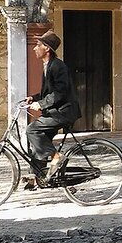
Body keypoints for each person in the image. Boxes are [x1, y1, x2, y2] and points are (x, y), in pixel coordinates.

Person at [24, 30, 80, 189]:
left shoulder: (57, 66)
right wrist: (34, 98)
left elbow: (60, 93)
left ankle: (56, 157)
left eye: (38, 45)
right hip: (57, 111)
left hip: (64, 112)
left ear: (47, 49)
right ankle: (38, 178)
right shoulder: (48, 65)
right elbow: (49, 92)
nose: (35, 48)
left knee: (32, 130)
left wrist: (41, 104)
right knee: (38, 143)